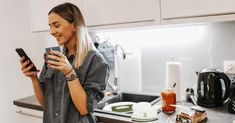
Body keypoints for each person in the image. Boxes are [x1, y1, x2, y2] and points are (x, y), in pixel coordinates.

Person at [19, 2, 109, 123]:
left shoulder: (96, 62)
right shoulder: (53, 56)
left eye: (56, 25)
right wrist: (33, 77)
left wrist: (70, 72)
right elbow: (45, 102)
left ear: (74, 24)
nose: (51, 31)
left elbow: (84, 108)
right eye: (50, 26)